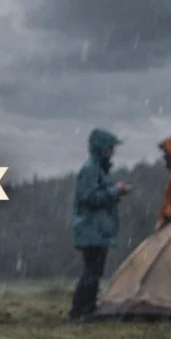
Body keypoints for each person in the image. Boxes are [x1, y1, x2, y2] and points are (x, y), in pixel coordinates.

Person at [68, 127, 131, 321]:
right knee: (91, 272)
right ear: (101, 148)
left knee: (94, 272)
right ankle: (79, 312)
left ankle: (87, 309)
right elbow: (88, 197)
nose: (112, 152)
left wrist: (113, 192)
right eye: (110, 147)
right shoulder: (91, 169)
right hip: (92, 230)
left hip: (96, 230)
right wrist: (114, 192)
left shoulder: (97, 169)